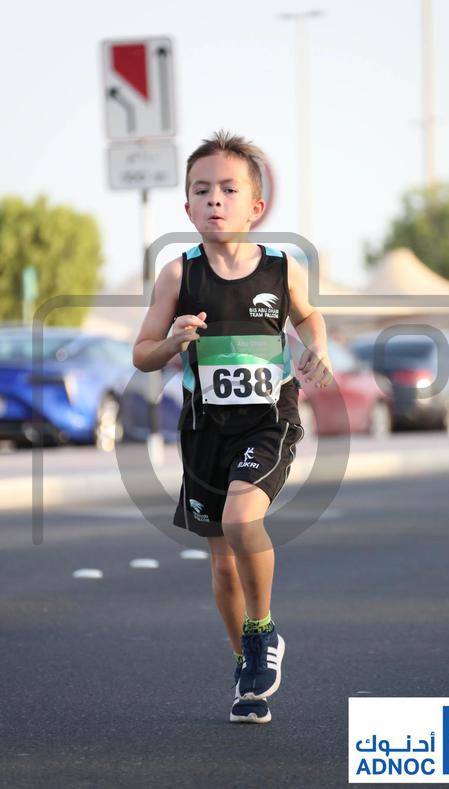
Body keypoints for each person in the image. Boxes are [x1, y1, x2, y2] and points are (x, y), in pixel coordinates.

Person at [133, 130, 332, 724]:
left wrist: (317, 347)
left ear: (256, 207)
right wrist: (173, 341)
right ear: (187, 207)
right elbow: (142, 353)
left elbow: (311, 316)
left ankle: (263, 629)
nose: (214, 199)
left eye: (228, 189)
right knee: (222, 564)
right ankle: (247, 669)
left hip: (268, 422)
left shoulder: (282, 268)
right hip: (204, 430)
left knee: (242, 519)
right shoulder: (178, 276)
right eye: (202, 190)